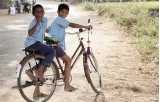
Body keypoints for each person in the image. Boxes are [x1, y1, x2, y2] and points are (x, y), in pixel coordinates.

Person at [47, 3, 92, 92]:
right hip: (53, 43)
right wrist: (85, 27)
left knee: (63, 59)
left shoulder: (57, 21)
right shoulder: (60, 19)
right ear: (58, 12)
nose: (64, 14)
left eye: (66, 13)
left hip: (51, 41)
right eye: (62, 12)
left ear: (67, 13)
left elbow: (48, 30)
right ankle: (67, 86)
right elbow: (71, 24)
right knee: (68, 60)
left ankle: (65, 77)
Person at [24, 4, 54, 98]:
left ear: (43, 12)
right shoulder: (33, 22)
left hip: (38, 44)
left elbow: (44, 32)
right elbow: (30, 33)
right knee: (51, 51)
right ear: (34, 13)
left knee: (43, 63)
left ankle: (36, 93)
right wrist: (37, 23)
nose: (40, 13)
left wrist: (54, 40)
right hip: (32, 44)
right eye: (37, 11)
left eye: (41, 11)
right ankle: (39, 71)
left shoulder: (45, 20)